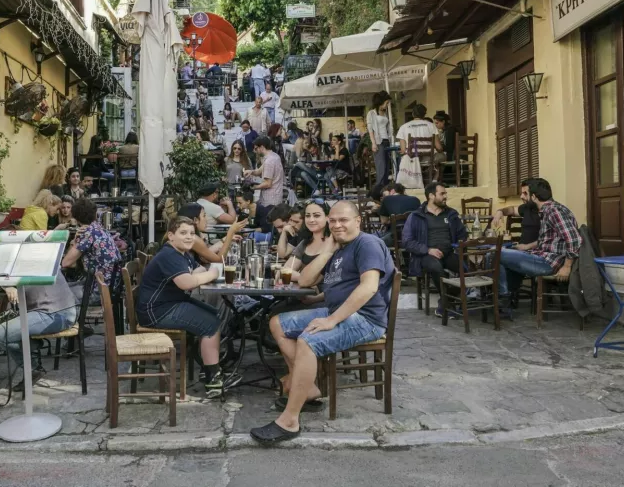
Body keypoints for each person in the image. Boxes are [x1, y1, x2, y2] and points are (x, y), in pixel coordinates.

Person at [251, 201, 394, 445]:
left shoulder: (367, 244)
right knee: (277, 323)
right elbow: (305, 280)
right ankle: (308, 389)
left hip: (366, 319)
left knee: (308, 341)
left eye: (343, 220)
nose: (337, 225)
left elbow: (369, 287)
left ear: (358, 221)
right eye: (333, 221)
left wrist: (331, 320)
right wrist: (327, 251)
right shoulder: (338, 247)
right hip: (337, 310)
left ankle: (289, 420)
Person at [137, 216, 238, 396]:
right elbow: (187, 283)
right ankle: (213, 381)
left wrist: (197, 275)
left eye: (192, 233)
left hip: (168, 303)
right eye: (183, 233)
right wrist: (213, 273)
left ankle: (208, 369)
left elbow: (198, 270)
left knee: (214, 315)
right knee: (210, 324)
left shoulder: (182, 253)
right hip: (157, 311)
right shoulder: (169, 255)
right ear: (171, 236)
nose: (189, 237)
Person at [0, 263, 78, 386]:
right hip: (55, 310)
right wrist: (6, 286)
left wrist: (7, 285)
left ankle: (33, 367)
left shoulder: (29, 260)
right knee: (2, 331)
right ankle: (33, 348)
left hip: (56, 314)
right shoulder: (34, 257)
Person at [497, 178, 581, 297]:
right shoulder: (547, 210)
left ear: (534, 197)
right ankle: (506, 295)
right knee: (500, 254)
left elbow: (574, 239)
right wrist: (526, 247)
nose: (522, 196)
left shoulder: (554, 211)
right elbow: (550, 240)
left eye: (526, 193)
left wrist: (567, 267)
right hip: (541, 257)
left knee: (495, 253)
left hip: (548, 263)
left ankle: (503, 297)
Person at [401, 182, 467, 316]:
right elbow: (407, 242)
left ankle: (446, 300)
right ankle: (447, 305)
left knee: (467, 271)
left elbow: (462, 235)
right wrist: (428, 250)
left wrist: (459, 245)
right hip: (426, 255)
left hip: (448, 253)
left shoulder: (451, 214)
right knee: (437, 268)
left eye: (445, 193)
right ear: (431, 196)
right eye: (442, 194)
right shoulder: (416, 216)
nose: (445, 196)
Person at [61, 198, 123, 295]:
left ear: (76, 218)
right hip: (112, 284)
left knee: (59, 293)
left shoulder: (87, 233)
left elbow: (65, 263)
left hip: (98, 289)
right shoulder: (99, 228)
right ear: (95, 214)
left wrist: (75, 241)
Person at [178, 203, 247, 265]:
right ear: (196, 220)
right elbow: (219, 260)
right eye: (204, 216)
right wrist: (230, 232)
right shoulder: (192, 238)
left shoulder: (190, 235)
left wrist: (224, 239)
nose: (206, 219)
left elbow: (205, 255)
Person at [244, 136, 284, 231]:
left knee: (269, 224)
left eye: (256, 148)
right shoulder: (274, 156)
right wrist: (251, 172)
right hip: (275, 195)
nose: (254, 151)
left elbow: (268, 183)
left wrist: (254, 187)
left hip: (270, 199)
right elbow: (259, 171)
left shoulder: (269, 161)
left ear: (262, 147)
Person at [396, 104, 445, 183]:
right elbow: (439, 147)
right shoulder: (431, 126)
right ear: (424, 115)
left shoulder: (403, 127)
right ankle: (434, 179)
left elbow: (403, 150)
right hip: (429, 159)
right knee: (442, 156)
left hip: (412, 159)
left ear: (413, 114)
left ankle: (416, 179)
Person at [492, 180, 541, 249]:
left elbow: (548, 240)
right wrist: (500, 211)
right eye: (522, 193)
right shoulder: (527, 207)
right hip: (520, 250)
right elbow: (512, 209)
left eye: (525, 193)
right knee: (492, 250)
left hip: (532, 251)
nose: (521, 196)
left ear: (534, 195)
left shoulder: (546, 212)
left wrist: (526, 247)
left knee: (493, 252)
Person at [366, 91, 392, 187]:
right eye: (386, 103)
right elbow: (370, 129)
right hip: (378, 141)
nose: (387, 105)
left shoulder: (385, 113)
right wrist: (373, 143)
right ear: (381, 101)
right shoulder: (371, 113)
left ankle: (385, 188)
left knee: (387, 167)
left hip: (386, 140)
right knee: (381, 166)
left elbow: (387, 128)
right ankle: (378, 189)